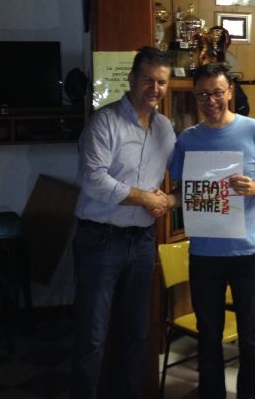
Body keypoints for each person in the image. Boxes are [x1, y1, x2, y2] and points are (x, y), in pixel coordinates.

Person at [169, 62, 255, 399]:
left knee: (252, 334)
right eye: (202, 94)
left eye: (217, 92)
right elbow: (182, 190)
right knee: (208, 335)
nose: (211, 100)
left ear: (230, 91)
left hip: (248, 252)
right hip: (205, 253)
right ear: (195, 96)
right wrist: (163, 201)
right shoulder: (188, 139)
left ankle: (250, 394)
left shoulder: (253, 129)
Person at [71, 47, 176, 399]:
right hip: (99, 241)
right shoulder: (104, 122)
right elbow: (93, 181)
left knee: (136, 333)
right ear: (131, 79)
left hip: (143, 240)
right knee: (92, 334)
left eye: (161, 82)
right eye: (148, 80)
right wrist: (146, 198)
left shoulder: (165, 128)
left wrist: (169, 200)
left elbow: (181, 173)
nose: (155, 88)